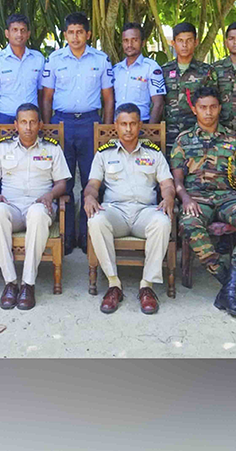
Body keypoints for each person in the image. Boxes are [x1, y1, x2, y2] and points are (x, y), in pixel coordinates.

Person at [170, 88, 236, 319]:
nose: (208, 112)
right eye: (203, 107)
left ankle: (230, 288)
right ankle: (230, 286)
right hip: (196, 198)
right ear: (194, 109)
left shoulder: (233, 140)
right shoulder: (184, 140)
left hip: (227, 197)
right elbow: (177, 180)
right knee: (190, 223)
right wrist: (185, 199)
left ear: (219, 108)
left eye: (213, 107)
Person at [84, 103, 174, 315]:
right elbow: (92, 185)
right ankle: (114, 284)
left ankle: (147, 286)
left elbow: (167, 185)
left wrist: (169, 198)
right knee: (95, 220)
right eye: (123, 124)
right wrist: (89, 197)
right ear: (116, 125)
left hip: (145, 212)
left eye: (133, 123)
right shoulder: (104, 154)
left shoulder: (154, 153)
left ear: (139, 125)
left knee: (163, 221)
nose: (128, 129)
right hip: (116, 212)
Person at [0, 103, 70, 310]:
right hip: (11, 207)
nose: (28, 127)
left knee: (38, 214)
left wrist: (50, 195)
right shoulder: (2, 148)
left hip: (39, 205)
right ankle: (10, 282)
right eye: (23, 122)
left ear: (40, 124)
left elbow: (62, 183)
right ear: (16, 124)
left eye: (32, 122)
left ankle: (28, 284)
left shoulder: (52, 148)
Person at [40, 12, 114, 253]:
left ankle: (86, 235)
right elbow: (47, 97)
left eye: (80, 32)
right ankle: (66, 236)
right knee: (65, 180)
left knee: (92, 180)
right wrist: (49, 126)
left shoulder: (101, 59)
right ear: (65, 35)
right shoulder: (54, 59)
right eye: (70, 32)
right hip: (62, 124)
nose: (75, 36)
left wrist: (105, 128)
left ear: (88, 34)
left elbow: (108, 98)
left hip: (91, 124)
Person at [0, 14, 45, 154]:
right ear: (7, 33)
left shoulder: (38, 59)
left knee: (33, 162)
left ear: (28, 34)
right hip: (7, 120)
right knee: (6, 163)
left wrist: (43, 124)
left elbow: (42, 95)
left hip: (32, 122)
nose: (19, 34)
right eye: (15, 30)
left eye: (23, 30)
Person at [161, 21, 216, 154]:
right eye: (180, 41)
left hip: (197, 135)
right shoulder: (164, 71)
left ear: (196, 42)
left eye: (189, 40)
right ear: (173, 43)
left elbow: (213, 103)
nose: (184, 45)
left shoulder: (206, 71)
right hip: (169, 134)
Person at [112, 22, 165, 123]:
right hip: (117, 126)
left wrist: (150, 131)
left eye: (134, 40)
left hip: (142, 125)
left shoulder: (151, 68)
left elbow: (159, 103)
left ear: (143, 42)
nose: (129, 45)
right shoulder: (116, 70)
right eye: (125, 41)